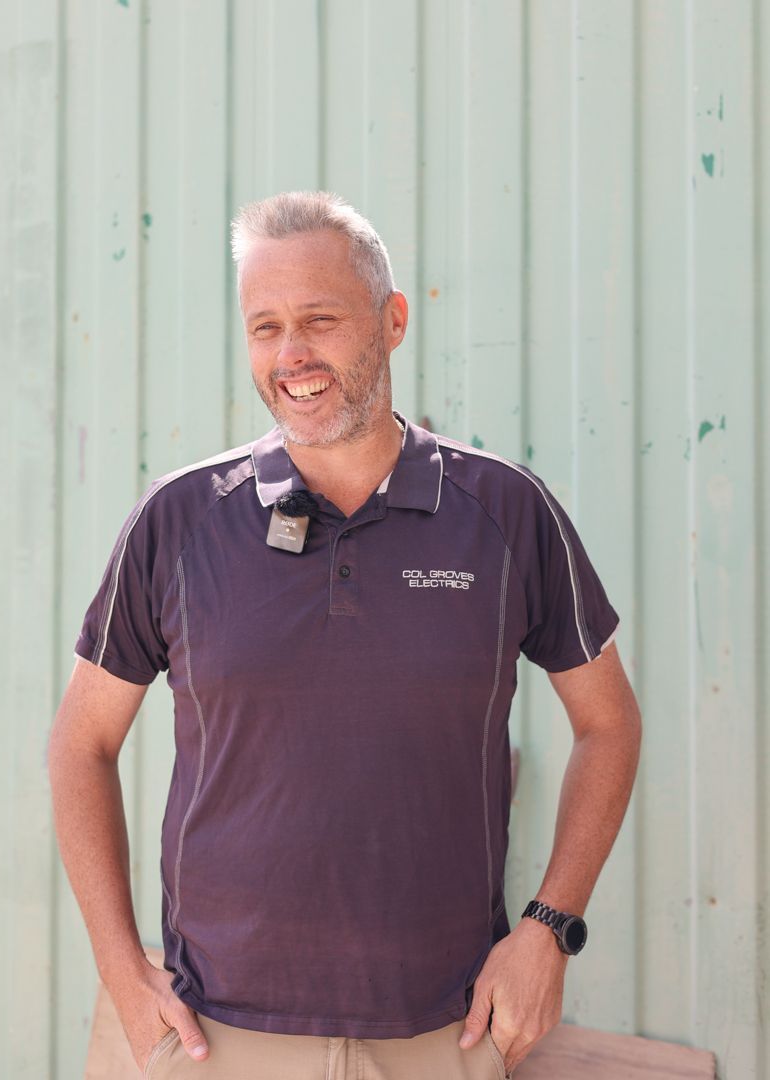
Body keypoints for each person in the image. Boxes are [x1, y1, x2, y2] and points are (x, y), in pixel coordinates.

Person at [49, 191, 641, 1080]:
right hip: (216, 1037)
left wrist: (548, 930)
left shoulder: (506, 513)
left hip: (445, 1033)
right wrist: (122, 969)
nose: (292, 356)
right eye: (265, 327)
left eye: (320, 320)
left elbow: (609, 723)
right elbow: (80, 744)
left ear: (393, 320)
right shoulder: (178, 522)